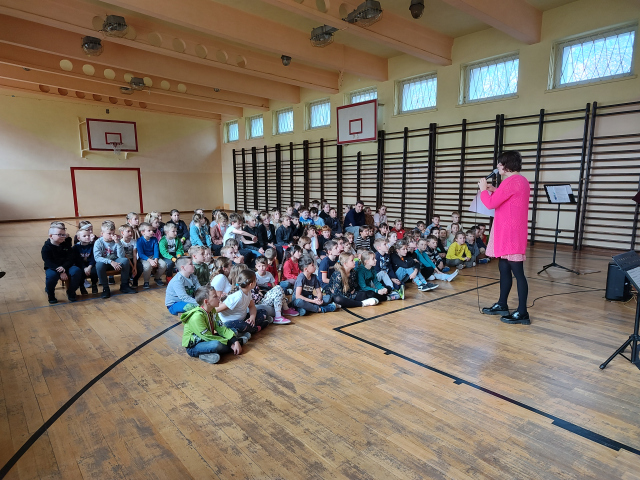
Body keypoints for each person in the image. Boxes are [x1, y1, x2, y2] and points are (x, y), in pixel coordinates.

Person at [478, 150, 531, 325]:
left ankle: (522, 312)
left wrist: (483, 191)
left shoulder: (510, 182)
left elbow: (491, 203)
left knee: (518, 272)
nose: (498, 166)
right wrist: (494, 190)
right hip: (510, 231)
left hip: (510, 233)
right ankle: (502, 304)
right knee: (504, 267)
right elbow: (508, 199)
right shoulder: (521, 180)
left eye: (500, 163)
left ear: (507, 165)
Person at [180, 285, 251, 364]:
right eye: (215, 296)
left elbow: (221, 328)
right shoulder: (196, 317)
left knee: (232, 330)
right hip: (194, 346)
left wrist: (235, 341)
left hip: (208, 339)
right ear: (206, 302)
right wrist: (231, 343)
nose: (219, 297)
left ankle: (211, 353)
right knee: (217, 345)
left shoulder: (212, 310)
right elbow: (208, 337)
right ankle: (237, 343)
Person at [216, 270, 270, 334]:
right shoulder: (237, 296)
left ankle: (246, 330)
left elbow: (252, 306)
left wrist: (252, 317)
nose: (256, 281)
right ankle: (255, 328)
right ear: (251, 284)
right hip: (229, 322)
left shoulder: (248, 291)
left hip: (243, 319)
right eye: (256, 280)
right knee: (242, 325)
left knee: (263, 312)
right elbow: (217, 310)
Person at [94, 221, 137, 298]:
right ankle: (105, 289)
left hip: (116, 261)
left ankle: (124, 285)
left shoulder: (117, 241)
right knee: (99, 265)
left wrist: (118, 243)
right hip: (105, 263)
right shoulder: (98, 242)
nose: (112, 235)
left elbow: (121, 256)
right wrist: (110, 262)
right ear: (102, 233)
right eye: (109, 233)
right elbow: (97, 258)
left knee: (125, 261)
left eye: (113, 233)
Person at [42, 224, 83, 304]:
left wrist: (64, 267)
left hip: (66, 266)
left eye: (64, 235)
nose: (63, 237)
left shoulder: (66, 245)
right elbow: (48, 261)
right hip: (53, 267)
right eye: (59, 235)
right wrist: (60, 271)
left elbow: (71, 258)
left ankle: (71, 291)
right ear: (51, 236)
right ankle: (51, 294)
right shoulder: (46, 248)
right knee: (51, 276)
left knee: (76, 271)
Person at [137, 222, 167, 288]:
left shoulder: (154, 239)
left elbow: (156, 250)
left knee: (163, 264)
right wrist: (150, 260)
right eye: (149, 230)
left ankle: (157, 278)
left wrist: (156, 259)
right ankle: (146, 281)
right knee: (147, 266)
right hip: (144, 258)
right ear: (143, 232)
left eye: (152, 230)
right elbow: (141, 254)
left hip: (153, 256)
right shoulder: (139, 241)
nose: (152, 232)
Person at [73, 227, 98, 295]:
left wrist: (89, 267)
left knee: (94, 271)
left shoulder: (93, 246)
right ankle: (82, 286)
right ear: (78, 238)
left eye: (88, 235)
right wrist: (84, 268)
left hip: (91, 265)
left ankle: (94, 285)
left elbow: (94, 258)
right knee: (80, 272)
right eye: (84, 236)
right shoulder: (76, 247)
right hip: (81, 265)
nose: (87, 237)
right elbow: (77, 260)